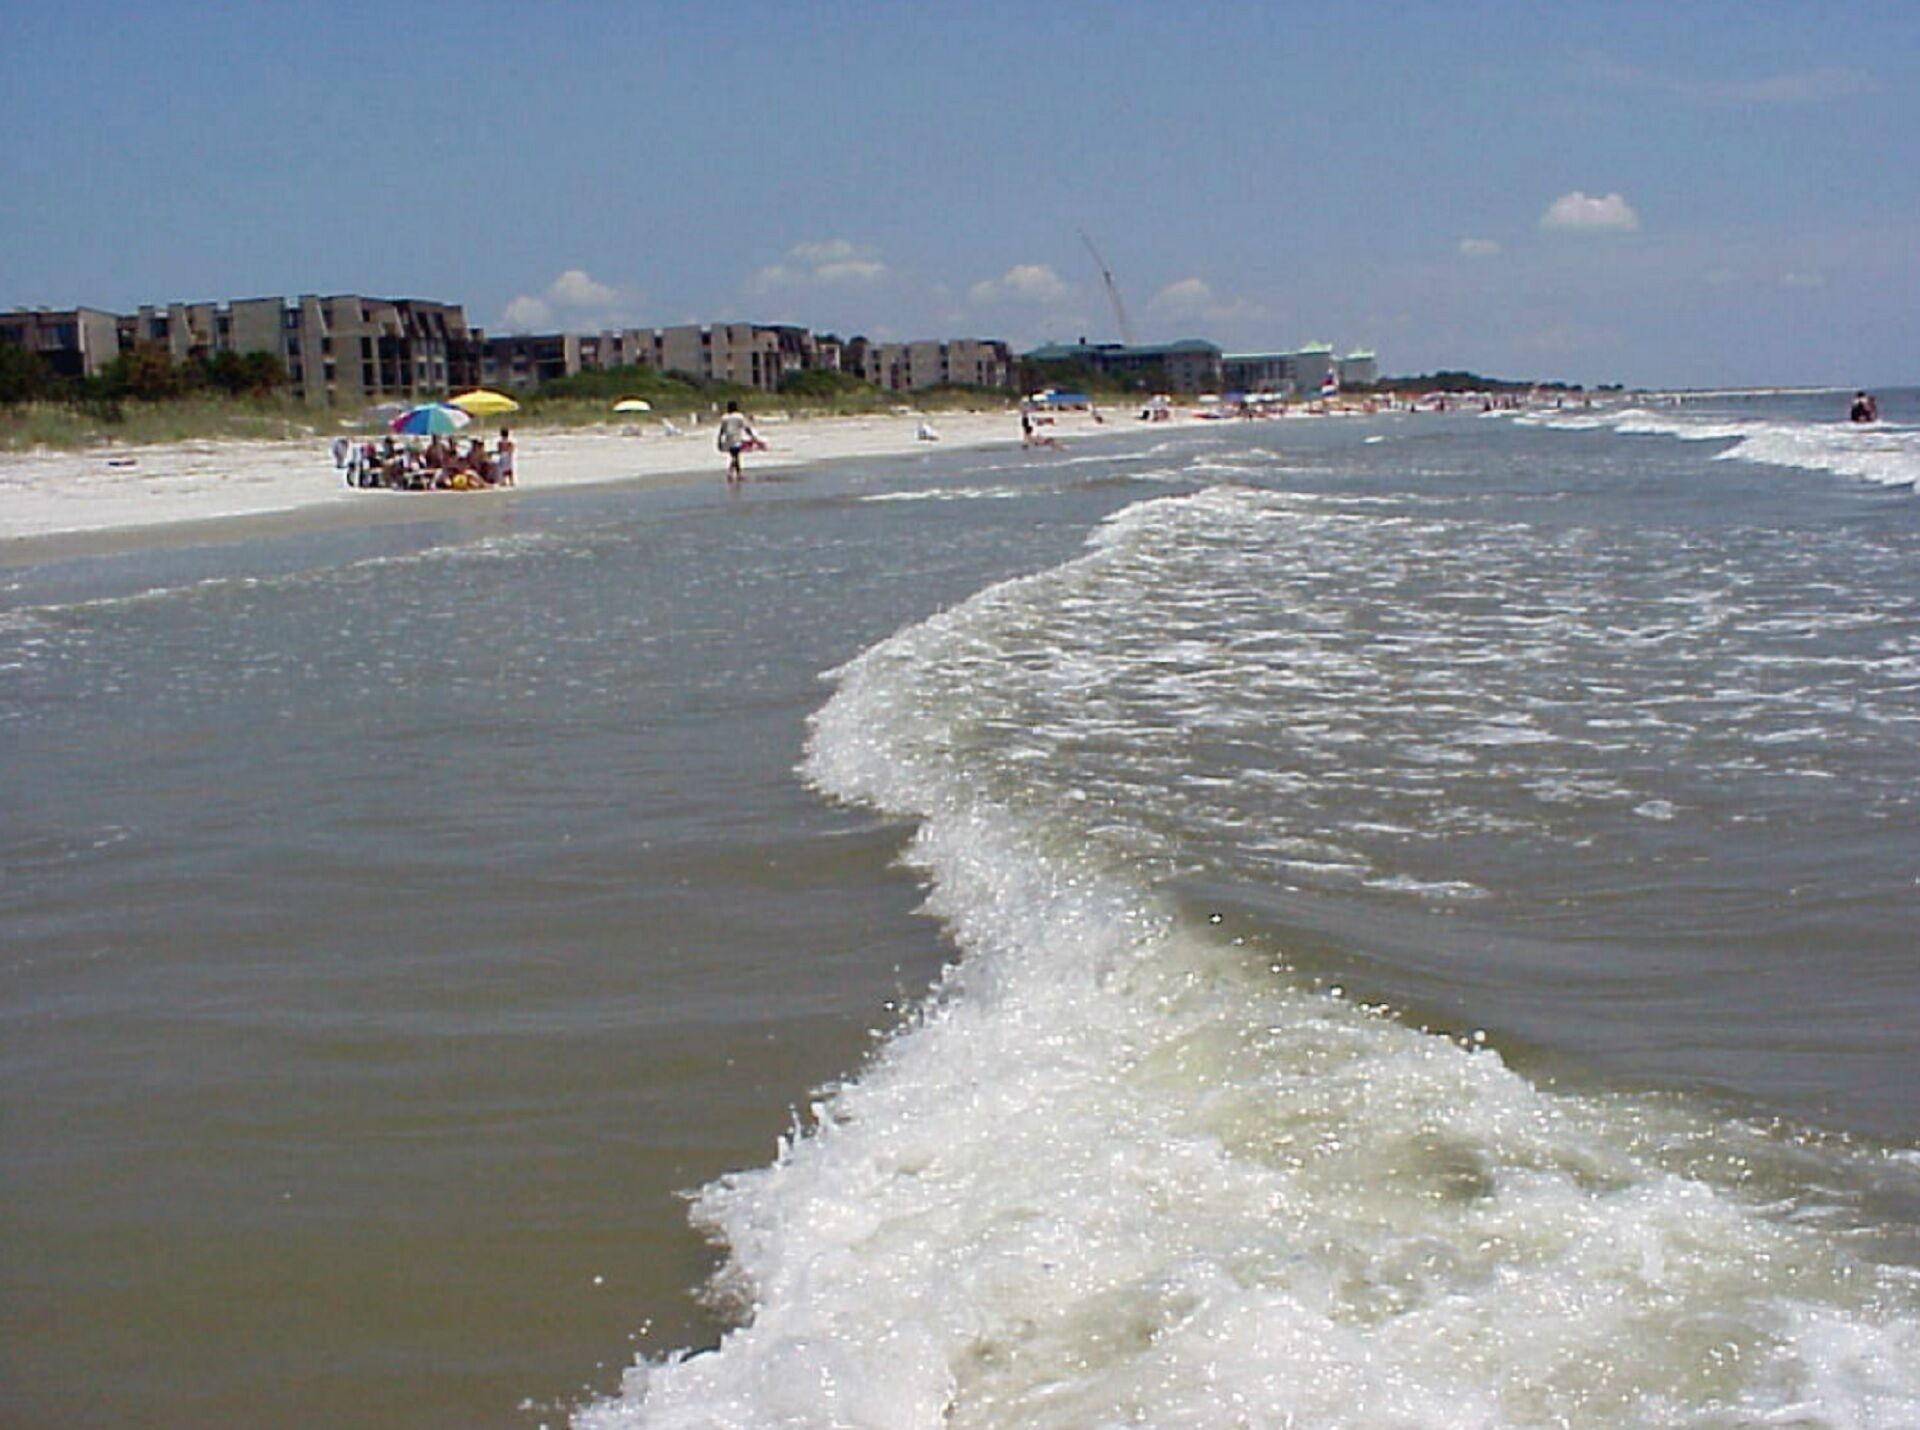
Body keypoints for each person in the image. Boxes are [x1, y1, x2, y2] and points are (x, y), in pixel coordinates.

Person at [715, 400, 755, 482]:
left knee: (734, 456)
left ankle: (733, 473)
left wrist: (719, 439)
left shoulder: (724, 417)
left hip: (728, 438)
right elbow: (746, 427)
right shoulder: (739, 416)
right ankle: (736, 473)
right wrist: (751, 435)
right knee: (736, 456)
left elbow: (722, 430)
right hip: (737, 438)